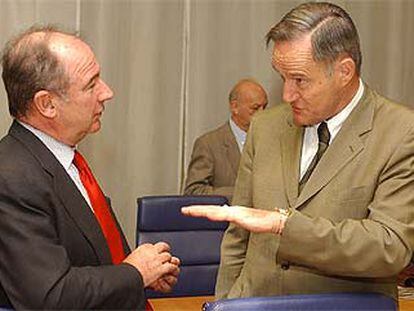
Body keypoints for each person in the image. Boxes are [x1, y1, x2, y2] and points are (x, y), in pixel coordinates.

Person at [182, 1, 414, 301]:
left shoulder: (400, 132)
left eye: (300, 80)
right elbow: (238, 238)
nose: (287, 95)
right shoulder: (265, 126)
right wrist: (227, 303)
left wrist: (284, 225)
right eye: (282, 77)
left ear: (344, 71)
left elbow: (389, 246)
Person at [0, 26, 179, 310]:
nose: (107, 92)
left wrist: (145, 273)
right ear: (47, 104)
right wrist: (134, 273)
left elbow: (92, 256)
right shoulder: (11, 177)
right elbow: (50, 295)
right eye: (91, 84)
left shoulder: (64, 160)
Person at [184, 79, 268, 201]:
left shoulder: (271, 142)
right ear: (234, 107)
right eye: (255, 108)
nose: (262, 113)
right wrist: (241, 193)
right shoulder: (209, 144)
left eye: (264, 107)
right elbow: (193, 192)